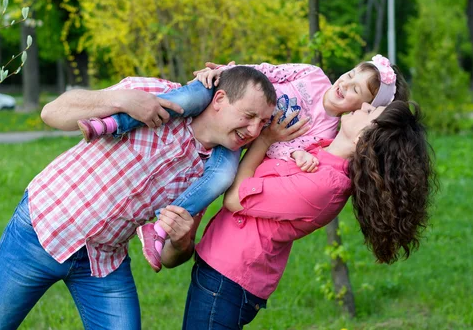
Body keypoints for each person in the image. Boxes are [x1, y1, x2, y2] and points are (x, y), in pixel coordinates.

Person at [0, 66, 283, 330]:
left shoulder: (216, 172)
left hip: (102, 260)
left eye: (262, 123)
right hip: (42, 228)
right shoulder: (156, 94)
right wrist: (121, 98)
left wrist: (182, 239)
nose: (254, 131)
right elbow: (52, 113)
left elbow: (171, 259)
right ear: (220, 99)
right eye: (248, 115)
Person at [77, 55, 409, 272]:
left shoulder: (328, 132)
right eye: (349, 75)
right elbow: (269, 71)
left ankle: (160, 228)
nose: (344, 85)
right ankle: (112, 123)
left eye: (355, 90)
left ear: (359, 108)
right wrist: (228, 73)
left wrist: (297, 154)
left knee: (220, 178)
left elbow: (281, 150)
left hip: (242, 138)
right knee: (187, 98)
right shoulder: (315, 75)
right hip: (234, 103)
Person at [180, 100, 436, 329]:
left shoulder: (325, 187)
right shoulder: (320, 147)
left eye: (370, 111)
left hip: (228, 281)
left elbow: (236, 199)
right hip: (218, 265)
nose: (363, 105)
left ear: (362, 137)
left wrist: (265, 140)